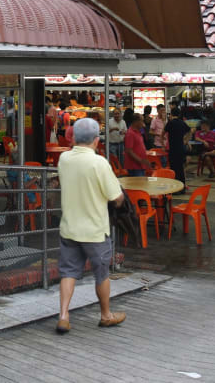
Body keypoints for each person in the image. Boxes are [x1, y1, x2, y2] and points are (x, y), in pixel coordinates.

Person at [56, 117, 126, 334]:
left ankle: (64, 316)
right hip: (95, 230)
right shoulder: (99, 163)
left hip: (69, 227)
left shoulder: (64, 159)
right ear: (97, 140)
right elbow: (116, 197)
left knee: (68, 272)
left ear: (74, 137)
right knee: (101, 273)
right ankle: (106, 315)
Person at [164, 108, 191, 192]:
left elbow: (162, 133)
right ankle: (182, 187)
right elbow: (190, 131)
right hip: (181, 148)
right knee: (181, 168)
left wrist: (163, 144)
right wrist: (186, 141)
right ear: (179, 115)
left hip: (172, 149)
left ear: (171, 114)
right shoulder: (182, 123)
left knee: (173, 169)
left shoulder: (170, 123)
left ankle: (175, 188)